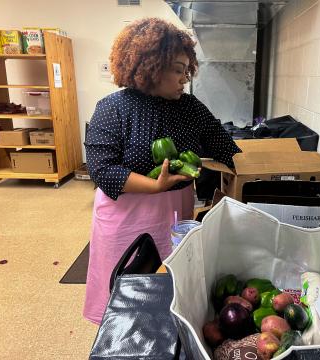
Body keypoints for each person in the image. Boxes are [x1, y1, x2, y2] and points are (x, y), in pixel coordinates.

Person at [83, 18, 241, 325]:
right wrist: (155, 186)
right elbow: (101, 169)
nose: (185, 79)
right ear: (151, 68)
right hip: (125, 217)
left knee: (169, 295)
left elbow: (225, 148)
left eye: (187, 70)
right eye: (178, 70)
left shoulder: (191, 108)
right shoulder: (112, 107)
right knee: (126, 296)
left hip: (176, 215)